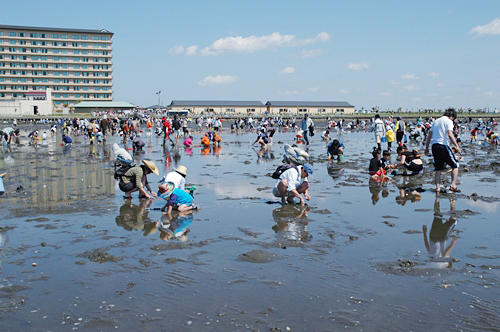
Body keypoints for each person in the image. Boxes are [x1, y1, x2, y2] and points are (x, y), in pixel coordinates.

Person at [425, 108, 462, 193]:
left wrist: (426, 148)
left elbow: (429, 136)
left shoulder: (436, 121)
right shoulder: (448, 121)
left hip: (434, 146)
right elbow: (450, 134)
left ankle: (438, 187)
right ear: (452, 116)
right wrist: (456, 146)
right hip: (443, 145)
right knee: (455, 165)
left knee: (438, 168)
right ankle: (453, 185)